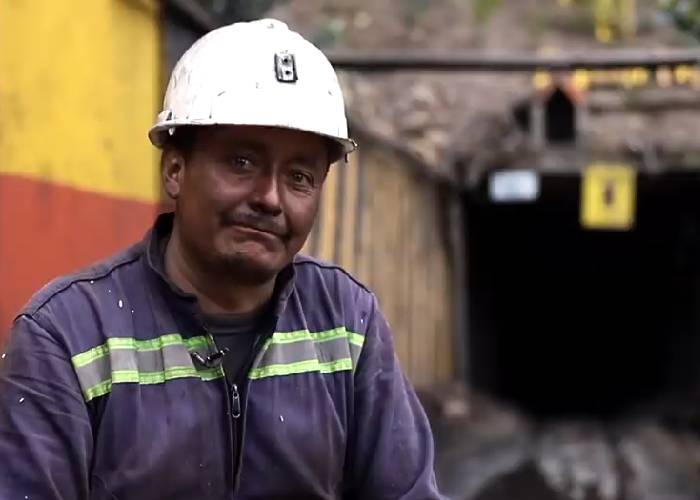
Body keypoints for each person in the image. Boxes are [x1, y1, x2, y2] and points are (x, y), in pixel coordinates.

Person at [0, 18, 444, 499]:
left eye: (299, 177)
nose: (270, 198)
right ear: (175, 169)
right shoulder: (68, 335)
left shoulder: (346, 321)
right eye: (242, 163)